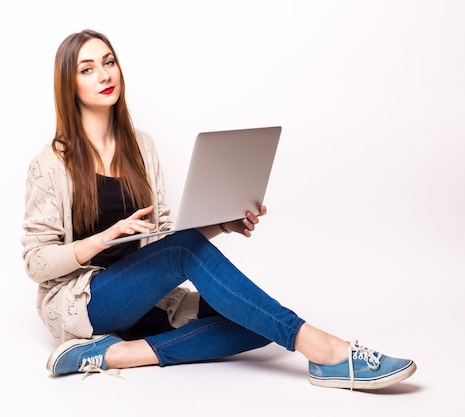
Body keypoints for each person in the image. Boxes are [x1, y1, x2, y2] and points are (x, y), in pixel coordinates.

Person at [21, 29, 416, 390]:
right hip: (88, 302)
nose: (104, 75)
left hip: (143, 299)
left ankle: (115, 354)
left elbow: (161, 241)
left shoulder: (141, 147)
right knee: (232, 288)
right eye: (87, 69)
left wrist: (220, 224)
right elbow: (36, 263)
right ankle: (329, 353)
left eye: (109, 62)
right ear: (68, 84)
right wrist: (100, 240)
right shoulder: (51, 163)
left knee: (260, 322)